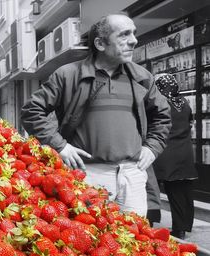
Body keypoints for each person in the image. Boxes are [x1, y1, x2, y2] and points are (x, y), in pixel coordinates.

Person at [21, 13, 172, 216]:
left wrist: (153, 147)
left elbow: (162, 115)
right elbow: (32, 110)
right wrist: (60, 146)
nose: (134, 41)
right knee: (91, 240)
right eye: (124, 34)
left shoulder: (142, 77)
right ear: (100, 43)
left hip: (132, 174)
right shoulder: (68, 74)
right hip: (88, 174)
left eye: (134, 33)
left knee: (133, 241)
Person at [153, 74, 197, 239]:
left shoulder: (161, 103)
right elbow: (190, 124)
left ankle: (152, 221)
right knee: (184, 192)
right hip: (185, 153)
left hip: (166, 154)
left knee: (161, 190)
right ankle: (183, 227)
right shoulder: (184, 103)